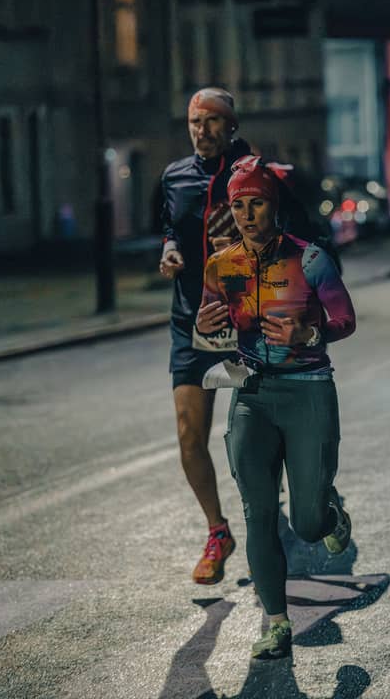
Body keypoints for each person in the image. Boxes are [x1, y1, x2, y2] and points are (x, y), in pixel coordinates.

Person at [196, 155, 357, 661]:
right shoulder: (221, 265)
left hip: (308, 389)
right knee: (259, 513)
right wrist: (204, 327)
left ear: (273, 205)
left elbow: (346, 320)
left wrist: (306, 333)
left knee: (306, 522)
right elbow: (209, 331)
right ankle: (277, 623)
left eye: (257, 204)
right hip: (251, 395)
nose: (247, 215)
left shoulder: (310, 259)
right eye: (238, 206)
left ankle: (330, 516)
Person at [158, 87, 252, 584]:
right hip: (191, 322)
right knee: (188, 434)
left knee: (255, 437)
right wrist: (170, 248)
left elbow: (284, 231)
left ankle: (284, 504)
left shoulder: (252, 173)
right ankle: (218, 530)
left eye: (213, 121)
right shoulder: (174, 176)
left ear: (231, 126)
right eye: (195, 122)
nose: (203, 131)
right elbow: (169, 225)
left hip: (246, 321)